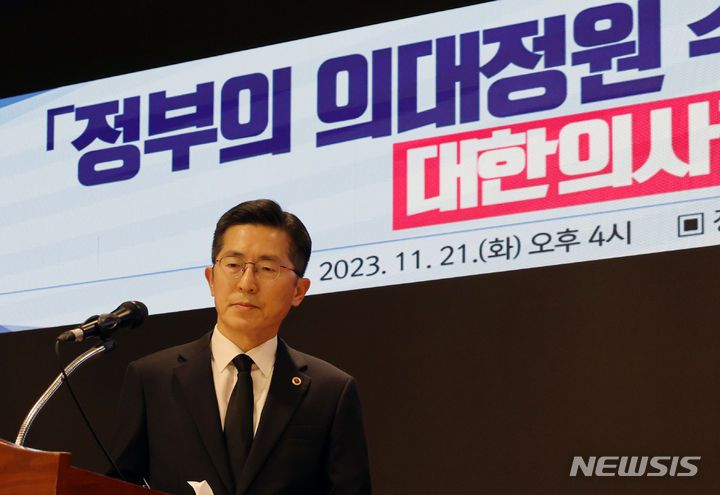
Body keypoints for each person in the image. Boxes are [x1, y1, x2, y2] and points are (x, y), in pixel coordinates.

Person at [108, 199, 372, 495]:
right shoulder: (152, 379)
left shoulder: (330, 391)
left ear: (299, 291)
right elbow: (116, 486)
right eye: (233, 265)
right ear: (211, 279)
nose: (246, 283)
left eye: (267, 268)